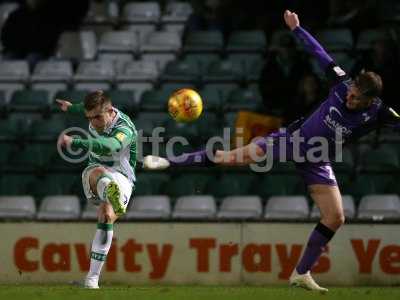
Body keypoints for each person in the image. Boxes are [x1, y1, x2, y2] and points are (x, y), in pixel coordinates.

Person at [143, 10, 400, 292]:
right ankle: (169, 161)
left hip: (317, 157)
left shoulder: (380, 113)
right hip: (290, 140)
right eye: (350, 93)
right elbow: (319, 52)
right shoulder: (341, 83)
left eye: (356, 98)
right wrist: (297, 29)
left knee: (335, 217)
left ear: (370, 100)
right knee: (231, 158)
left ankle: (301, 273)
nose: (349, 98)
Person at [56, 90, 137, 289]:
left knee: (106, 215)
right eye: (89, 118)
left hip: (123, 178)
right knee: (98, 171)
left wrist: (74, 142)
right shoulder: (95, 113)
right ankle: (108, 188)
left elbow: (107, 146)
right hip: (96, 172)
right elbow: (84, 109)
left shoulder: (125, 128)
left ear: (110, 111)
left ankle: (91, 280)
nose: (93, 123)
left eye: (98, 117)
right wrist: (70, 107)